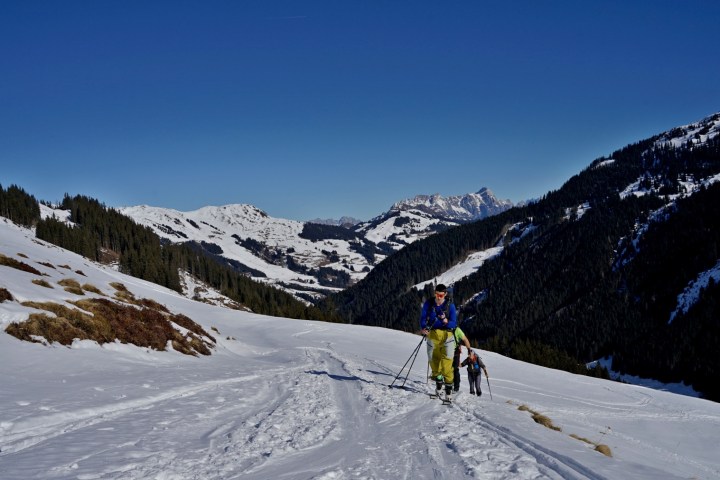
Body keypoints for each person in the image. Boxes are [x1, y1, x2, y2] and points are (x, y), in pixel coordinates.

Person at [420, 284, 457, 402]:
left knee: (447, 366)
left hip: (447, 337)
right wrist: (423, 327)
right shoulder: (429, 303)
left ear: (445, 294)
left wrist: (446, 321)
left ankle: (448, 391)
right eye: (437, 294)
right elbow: (423, 317)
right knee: (434, 364)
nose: (439, 297)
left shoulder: (450, 306)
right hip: (433, 336)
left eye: (441, 295)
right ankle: (439, 387)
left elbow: (453, 324)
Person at [453, 327, 472, 392]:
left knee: (455, 369)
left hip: (455, 352)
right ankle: (451, 384)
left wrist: (469, 350)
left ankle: (456, 386)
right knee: (449, 369)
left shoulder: (457, 330)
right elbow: (465, 340)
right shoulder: (444, 327)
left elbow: (465, 339)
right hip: (451, 352)